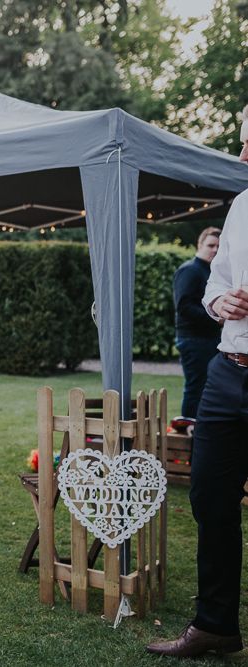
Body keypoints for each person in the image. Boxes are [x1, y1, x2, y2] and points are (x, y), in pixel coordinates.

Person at [147, 106, 248, 658]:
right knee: (210, 499)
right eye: (244, 140)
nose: (243, 154)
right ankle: (215, 627)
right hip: (226, 372)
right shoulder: (241, 206)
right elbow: (218, 279)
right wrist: (220, 301)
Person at [173, 227, 222, 418]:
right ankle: (188, 430)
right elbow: (184, 307)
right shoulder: (190, 270)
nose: (215, 250)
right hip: (193, 340)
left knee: (207, 388)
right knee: (195, 388)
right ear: (199, 245)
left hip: (208, 339)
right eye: (211, 245)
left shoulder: (212, 272)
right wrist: (218, 317)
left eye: (219, 246)